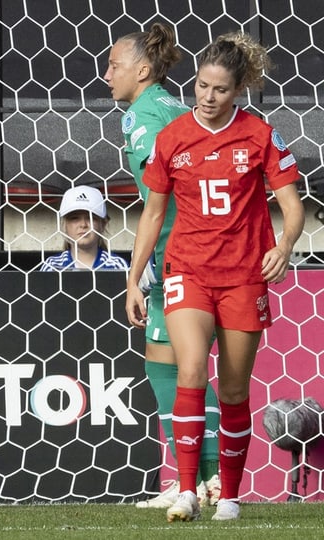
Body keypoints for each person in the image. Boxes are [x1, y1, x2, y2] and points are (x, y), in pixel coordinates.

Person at [125, 31, 305, 522]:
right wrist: (133, 278)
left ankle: (227, 495)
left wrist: (284, 246)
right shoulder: (173, 137)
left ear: (238, 91)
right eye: (202, 86)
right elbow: (153, 214)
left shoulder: (261, 135)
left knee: (232, 391)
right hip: (187, 270)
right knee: (190, 371)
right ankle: (186, 491)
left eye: (219, 90)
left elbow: (292, 206)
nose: (207, 97)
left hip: (244, 277)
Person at [105, 22, 222, 509]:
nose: (107, 74)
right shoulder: (173, 106)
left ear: (143, 69)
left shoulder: (143, 118)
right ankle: (194, 478)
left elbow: (160, 196)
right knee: (166, 365)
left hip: (178, 252)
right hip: (193, 247)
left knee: (186, 369)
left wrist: (144, 265)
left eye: (115, 65)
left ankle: (208, 477)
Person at [38, 185, 129, 271]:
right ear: (64, 225)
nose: (83, 225)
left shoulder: (116, 266)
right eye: (74, 218)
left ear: (103, 224)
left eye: (91, 218)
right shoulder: (52, 266)